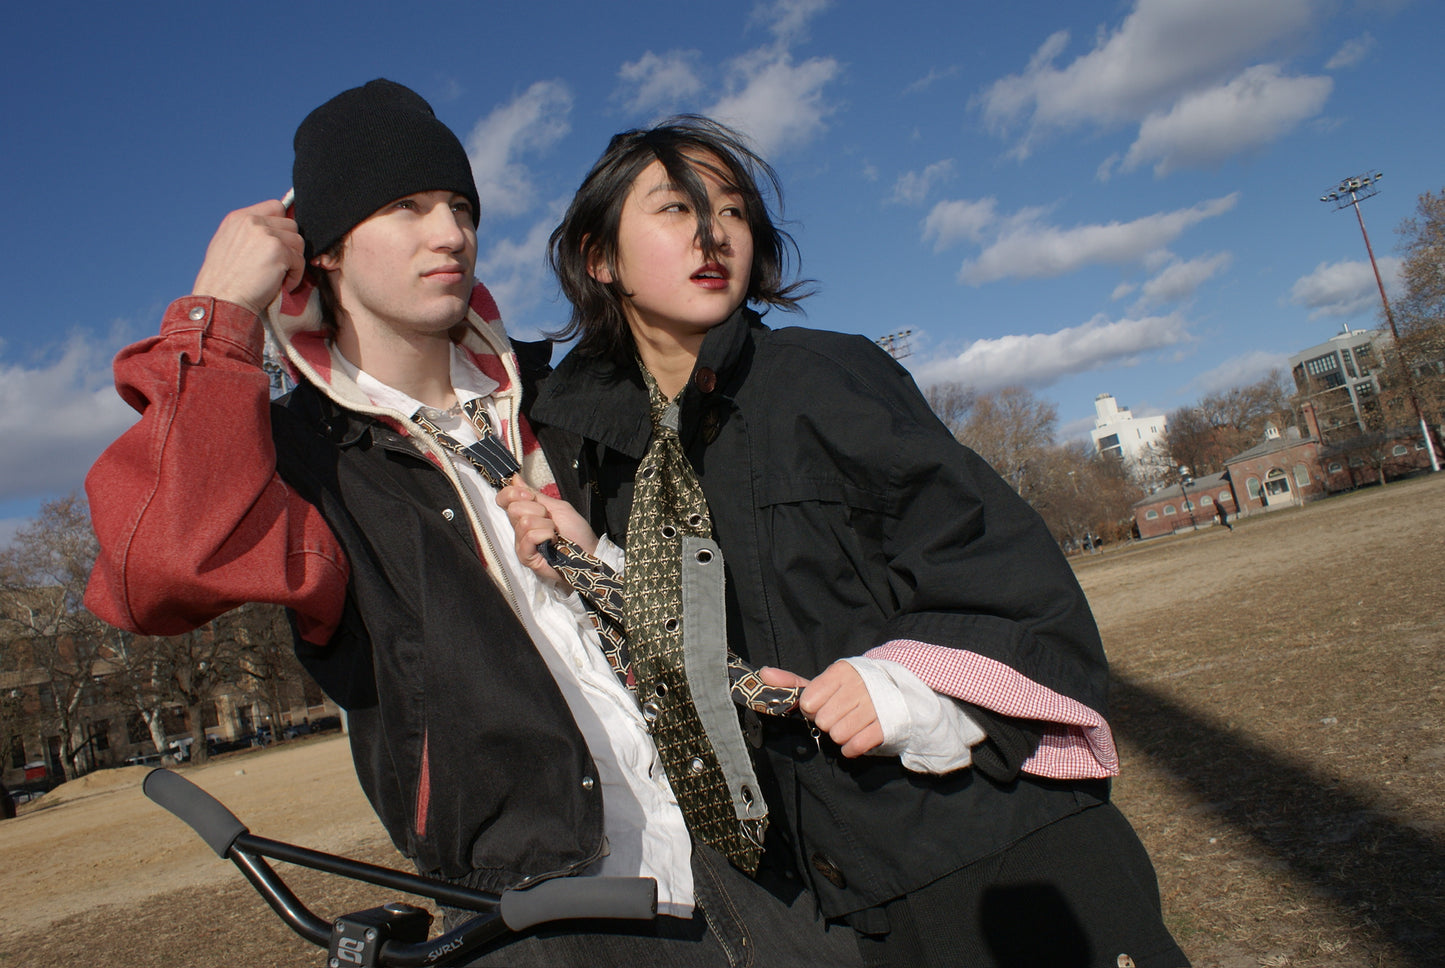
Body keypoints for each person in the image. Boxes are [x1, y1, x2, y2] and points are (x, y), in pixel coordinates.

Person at [83, 80, 860, 967]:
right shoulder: (302, 460)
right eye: (406, 207)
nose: (450, 232)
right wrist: (215, 318)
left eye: (459, 205)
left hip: (756, 867)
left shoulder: (570, 394)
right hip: (543, 917)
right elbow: (158, 572)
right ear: (327, 251)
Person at [506, 116, 1190, 967]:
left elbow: (1011, 583)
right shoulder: (612, 459)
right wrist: (593, 560)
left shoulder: (827, 378)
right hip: (833, 904)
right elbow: (710, 638)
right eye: (675, 210)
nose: (713, 233)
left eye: (731, 210)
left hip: (992, 857)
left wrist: (900, 688)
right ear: (598, 257)